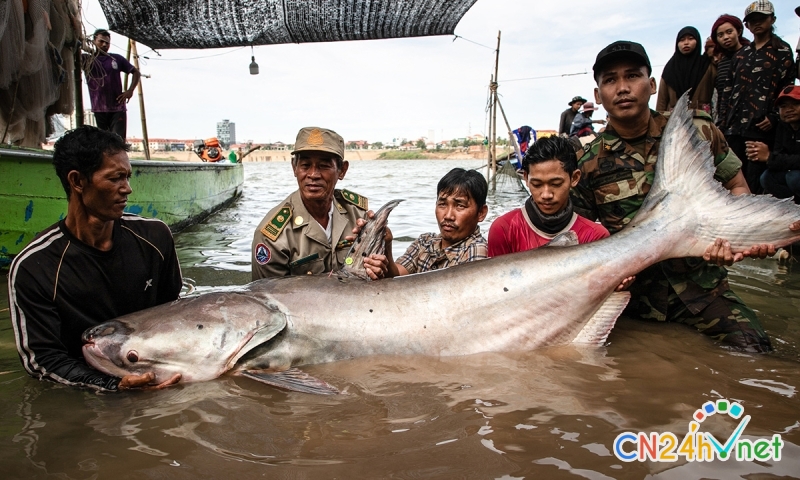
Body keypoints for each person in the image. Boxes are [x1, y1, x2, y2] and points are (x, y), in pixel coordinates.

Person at [570, 40, 799, 353]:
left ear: (651, 85)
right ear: (598, 96)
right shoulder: (588, 162)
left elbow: (738, 186)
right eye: (610, 80)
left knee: (756, 354)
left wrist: (739, 235)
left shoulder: (694, 133)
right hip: (632, 303)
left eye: (632, 76)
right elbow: (580, 236)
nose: (622, 88)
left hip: (703, 290)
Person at [8, 126, 183, 391]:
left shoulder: (155, 238)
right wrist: (111, 386)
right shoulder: (34, 267)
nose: (128, 189)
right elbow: (42, 361)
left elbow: (175, 315)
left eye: (128, 177)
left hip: (157, 375)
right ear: (77, 181)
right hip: (87, 386)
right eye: (115, 179)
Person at [252, 127, 385, 279]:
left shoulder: (358, 215)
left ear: (342, 170)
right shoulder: (273, 235)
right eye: (305, 165)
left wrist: (379, 265)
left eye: (324, 166)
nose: (313, 174)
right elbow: (267, 297)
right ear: (294, 168)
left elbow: (376, 276)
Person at [488, 136, 610, 255]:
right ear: (526, 178)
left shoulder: (596, 236)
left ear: (574, 178)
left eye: (556, 184)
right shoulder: (504, 229)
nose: (546, 195)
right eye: (537, 184)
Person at [725, 1, 795, 194]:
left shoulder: (782, 50)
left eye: (761, 18)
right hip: (734, 127)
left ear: (772, 19)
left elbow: (787, 89)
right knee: (733, 177)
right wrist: (722, 123)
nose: (757, 23)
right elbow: (728, 91)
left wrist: (774, 116)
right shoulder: (741, 55)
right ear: (746, 25)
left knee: (755, 181)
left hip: (761, 127)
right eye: (752, 20)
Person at [376, 168, 489, 277]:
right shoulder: (425, 242)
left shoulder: (476, 250)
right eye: (442, 204)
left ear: (481, 213)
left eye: (460, 206)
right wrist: (386, 243)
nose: (448, 216)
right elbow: (397, 274)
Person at [82, 29, 140, 139]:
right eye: (101, 41)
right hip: (99, 108)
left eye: (107, 43)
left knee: (117, 141)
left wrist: (130, 90)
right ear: (94, 41)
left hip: (117, 108)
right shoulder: (87, 59)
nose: (104, 45)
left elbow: (136, 73)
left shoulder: (116, 59)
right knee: (103, 142)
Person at [749, 85, 800, 203]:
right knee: (767, 178)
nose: (789, 109)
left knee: (793, 177)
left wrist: (769, 157)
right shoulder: (783, 127)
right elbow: (777, 158)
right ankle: (794, 210)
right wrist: (758, 155)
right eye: (783, 106)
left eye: (796, 104)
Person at [656, 26, 714, 113]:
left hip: (702, 122)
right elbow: (662, 101)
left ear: (697, 41)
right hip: (675, 122)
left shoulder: (707, 65)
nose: (686, 43)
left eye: (690, 39)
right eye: (682, 40)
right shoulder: (670, 69)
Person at [710, 14, 750, 129]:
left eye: (729, 32)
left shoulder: (751, 55)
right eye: (720, 35)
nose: (725, 37)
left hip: (749, 121)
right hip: (727, 122)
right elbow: (722, 94)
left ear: (738, 31)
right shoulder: (722, 63)